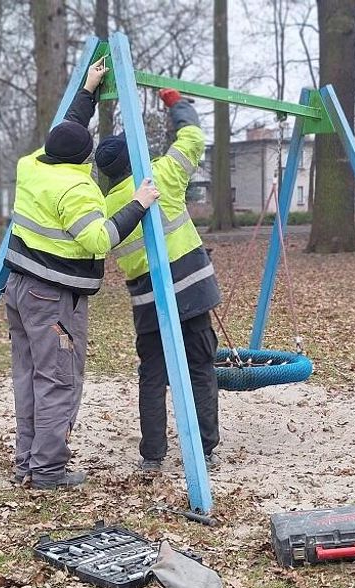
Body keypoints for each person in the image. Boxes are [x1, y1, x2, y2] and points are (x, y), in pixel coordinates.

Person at [6, 58, 161, 490]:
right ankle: (49, 471)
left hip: (18, 289)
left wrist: (88, 89)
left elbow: (68, 128)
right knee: (57, 382)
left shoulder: (32, 165)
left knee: (28, 377)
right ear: (84, 158)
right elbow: (98, 239)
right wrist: (139, 203)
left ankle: (28, 464)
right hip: (54, 298)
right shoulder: (75, 189)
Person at [93, 88, 222, 473]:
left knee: (152, 375)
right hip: (192, 292)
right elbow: (193, 138)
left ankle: (153, 454)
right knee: (201, 366)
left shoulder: (107, 205)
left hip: (149, 302)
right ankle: (205, 447)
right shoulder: (161, 176)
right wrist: (176, 105)